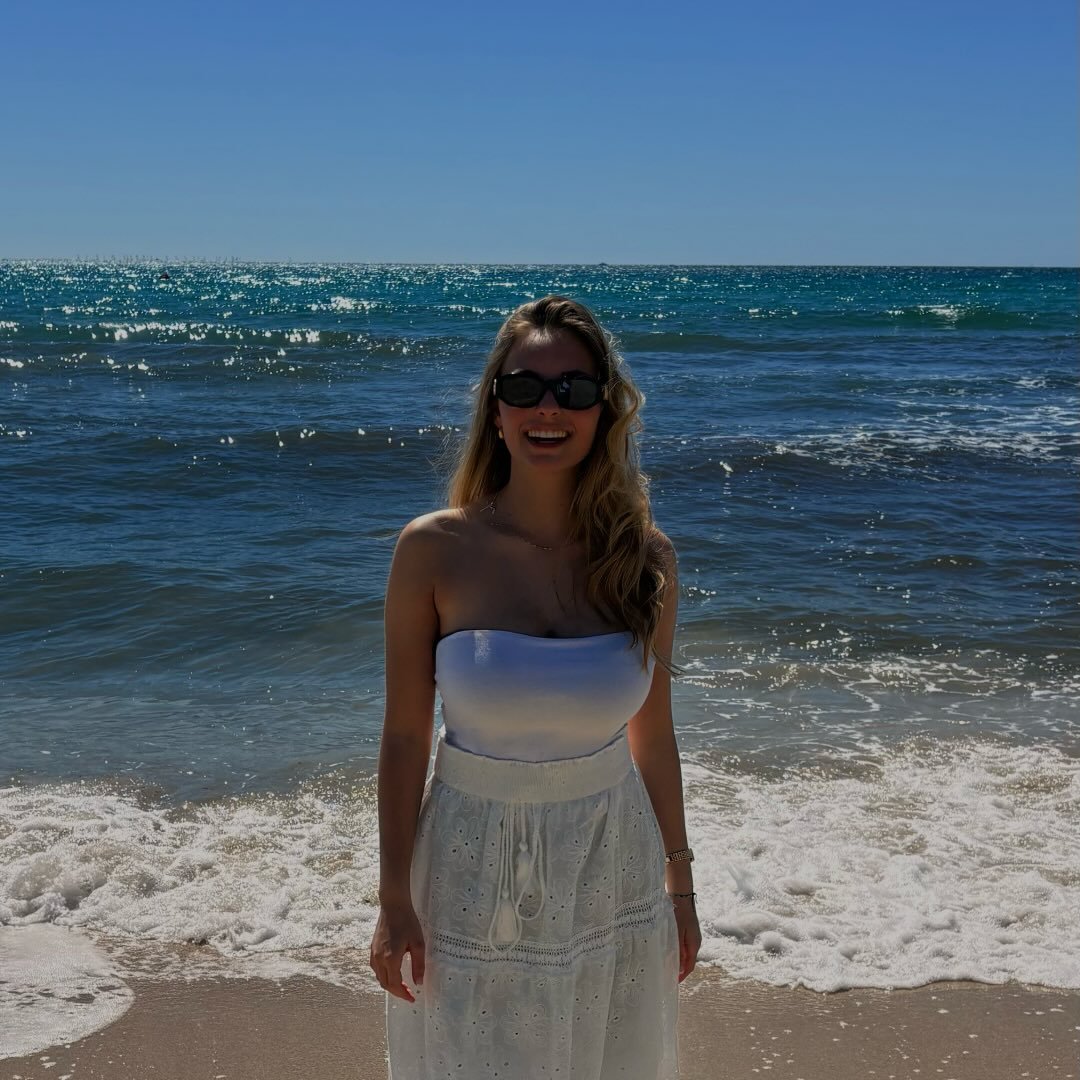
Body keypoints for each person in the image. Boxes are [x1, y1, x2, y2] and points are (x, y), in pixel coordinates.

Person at [370, 295, 701, 1079]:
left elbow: (653, 736)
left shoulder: (645, 560)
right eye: (524, 387)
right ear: (495, 408)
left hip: (609, 861)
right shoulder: (434, 549)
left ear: (604, 410)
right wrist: (392, 898)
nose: (548, 408)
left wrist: (680, 890)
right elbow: (406, 736)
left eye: (573, 389)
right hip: (468, 860)